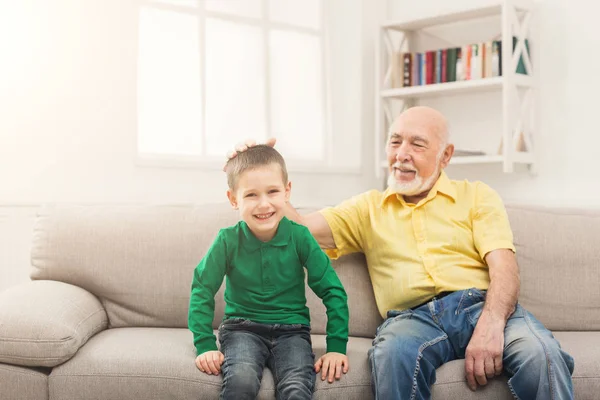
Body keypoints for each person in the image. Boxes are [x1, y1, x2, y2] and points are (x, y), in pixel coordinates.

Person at [228, 106, 575, 400]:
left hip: (479, 305)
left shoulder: (477, 196)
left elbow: (504, 267)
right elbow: (299, 227)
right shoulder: (368, 208)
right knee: (393, 355)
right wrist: (259, 171)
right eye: (395, 141)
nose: (401, 154)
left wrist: (492, 321)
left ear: (446, 155)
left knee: (540, 355)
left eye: (417, 144)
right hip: (411, 319)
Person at [188, 145, 350, 400]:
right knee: (239, 384)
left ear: (287, 192)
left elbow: (333, 291)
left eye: (272, 191)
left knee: (297, 390)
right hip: (241, 329)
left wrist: (337, 348)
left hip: (293, 332)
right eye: (251, 194)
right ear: (233, 199)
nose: (264, 204)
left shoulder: (301, 237)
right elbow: (202, 288)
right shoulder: (227, 240)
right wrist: (205, 344)